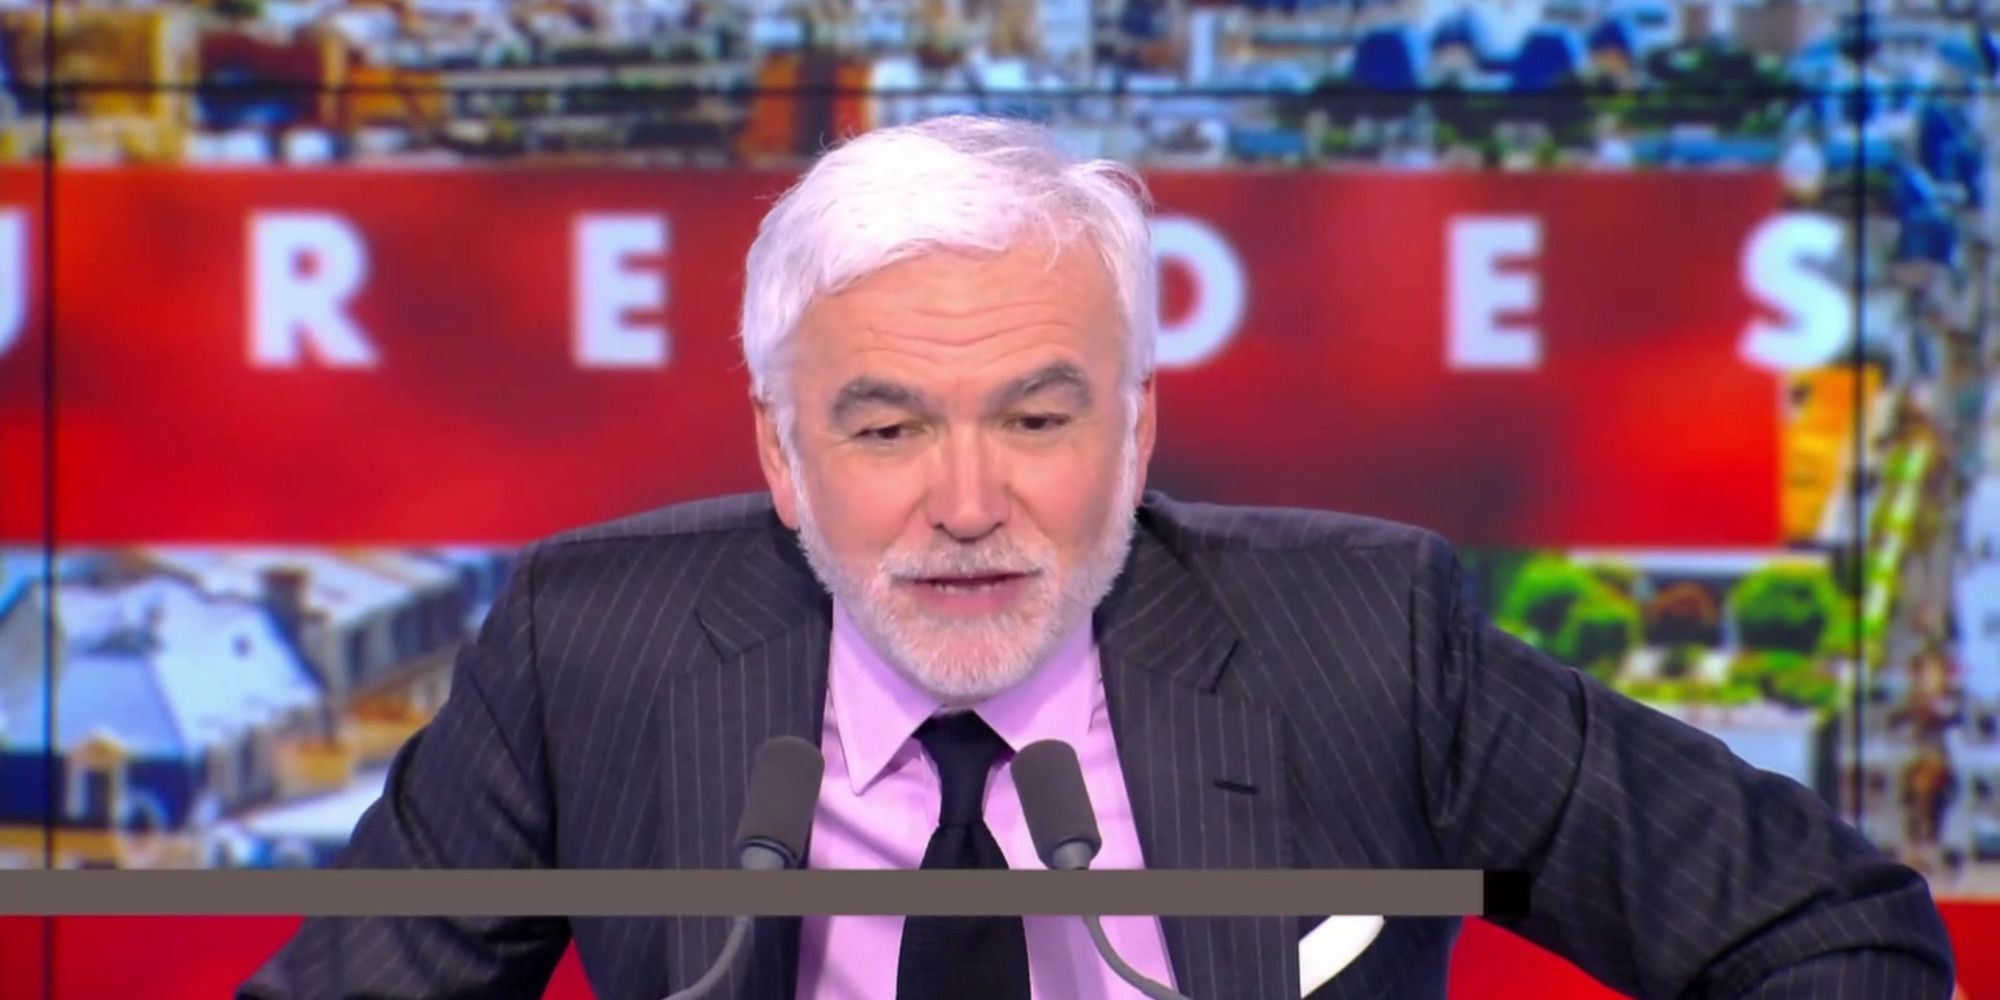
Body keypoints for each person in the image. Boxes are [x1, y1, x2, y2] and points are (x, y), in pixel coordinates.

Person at [239, 115, 1956, 999]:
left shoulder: (1363, 640)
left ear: (1134, 434)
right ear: (780, 455)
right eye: (886, 429)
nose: (966, 501)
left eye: (1039, 420)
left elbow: (1829, 931)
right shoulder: (590, 649)